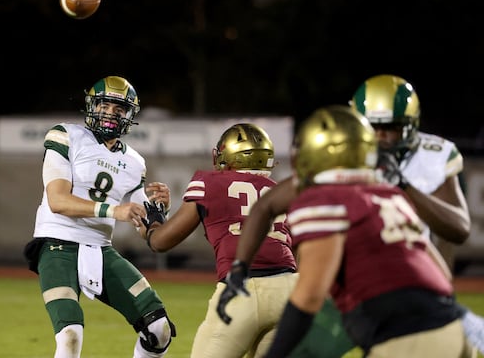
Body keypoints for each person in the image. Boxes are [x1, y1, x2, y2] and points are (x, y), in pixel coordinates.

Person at [228, 105, 474, 357]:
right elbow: (441, 274)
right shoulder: (389, 194)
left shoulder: (324, 199)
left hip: (406, 337)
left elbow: (309, 297)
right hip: (451, 326)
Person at [23, 75, 176, 358]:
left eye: (119, 109)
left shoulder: (135, 162)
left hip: (101, 250)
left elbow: (145, 228)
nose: (110, 114)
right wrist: (113, 210)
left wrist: (159, 211)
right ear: (92, 105)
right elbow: (57, 200)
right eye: (105, 106)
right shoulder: (65, 135)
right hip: (57, 244)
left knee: (159, 329)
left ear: (129, 116)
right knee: (70, 335)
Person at [139, 123, 298, 357]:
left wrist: (154, 223)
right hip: (289, 290)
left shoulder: (209, 182)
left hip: (242, 290)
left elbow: (161, 242)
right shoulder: (279, 190)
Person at [349, 74, 471, 270]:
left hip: (410, 270)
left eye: (390, 127)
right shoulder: (339, 152)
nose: (380, 135)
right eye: (372, 126)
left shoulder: (432, 155)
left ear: (410, 125)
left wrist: (402, 185)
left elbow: (460, 229)